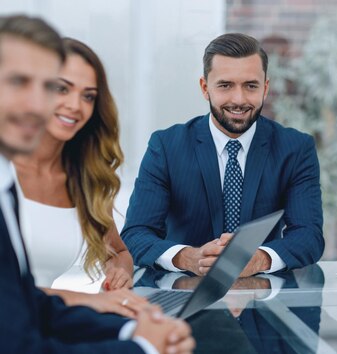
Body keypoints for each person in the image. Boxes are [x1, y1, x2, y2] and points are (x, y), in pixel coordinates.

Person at [0, 14, 194, 354]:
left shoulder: (18, 185)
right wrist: (142, 345)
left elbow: (27, 302)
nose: (73, 106)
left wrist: (131, 328)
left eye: (88, 96)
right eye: (20, 83)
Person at [121, 33, 323, 276]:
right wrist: (190, 258)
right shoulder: (166, 147)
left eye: (250, 86)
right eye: (225, 85)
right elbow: (135, 235)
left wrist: (258, 260)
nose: (238, 100)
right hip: (183, 299)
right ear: (205, 88)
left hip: (260, 300)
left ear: (265, 88)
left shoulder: (295, 149)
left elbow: (309, 237)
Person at [12, 37, 145, 318]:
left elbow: (119, 253)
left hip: (39, 327)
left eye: (88, 96)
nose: (75, 105)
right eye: (62, 88)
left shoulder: (84, 179)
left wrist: (118, 273)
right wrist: (90, 302)